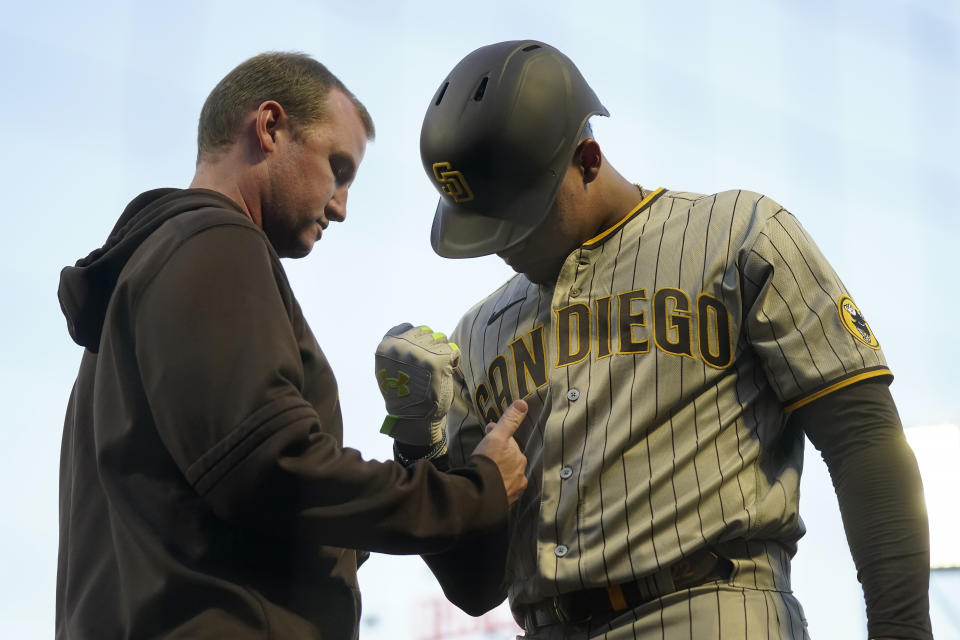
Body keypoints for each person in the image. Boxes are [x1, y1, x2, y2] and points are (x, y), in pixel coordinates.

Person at [380, 40, 933, 639]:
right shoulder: (479, 333)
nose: (502, 245)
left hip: (708, 612)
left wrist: (901, 630)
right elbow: (475, 586)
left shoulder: (740, 234)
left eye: (520, 217)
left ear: (588, 159)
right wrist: (417, 441)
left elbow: (864, 439)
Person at [55, 51, 529, 640]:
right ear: (270, 127)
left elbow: (267, 513)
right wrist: (474, 492)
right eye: (338, 167)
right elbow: (272, 469)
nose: (341, 207)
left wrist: (416, 443)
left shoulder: (142, 280)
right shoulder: (215, 242)